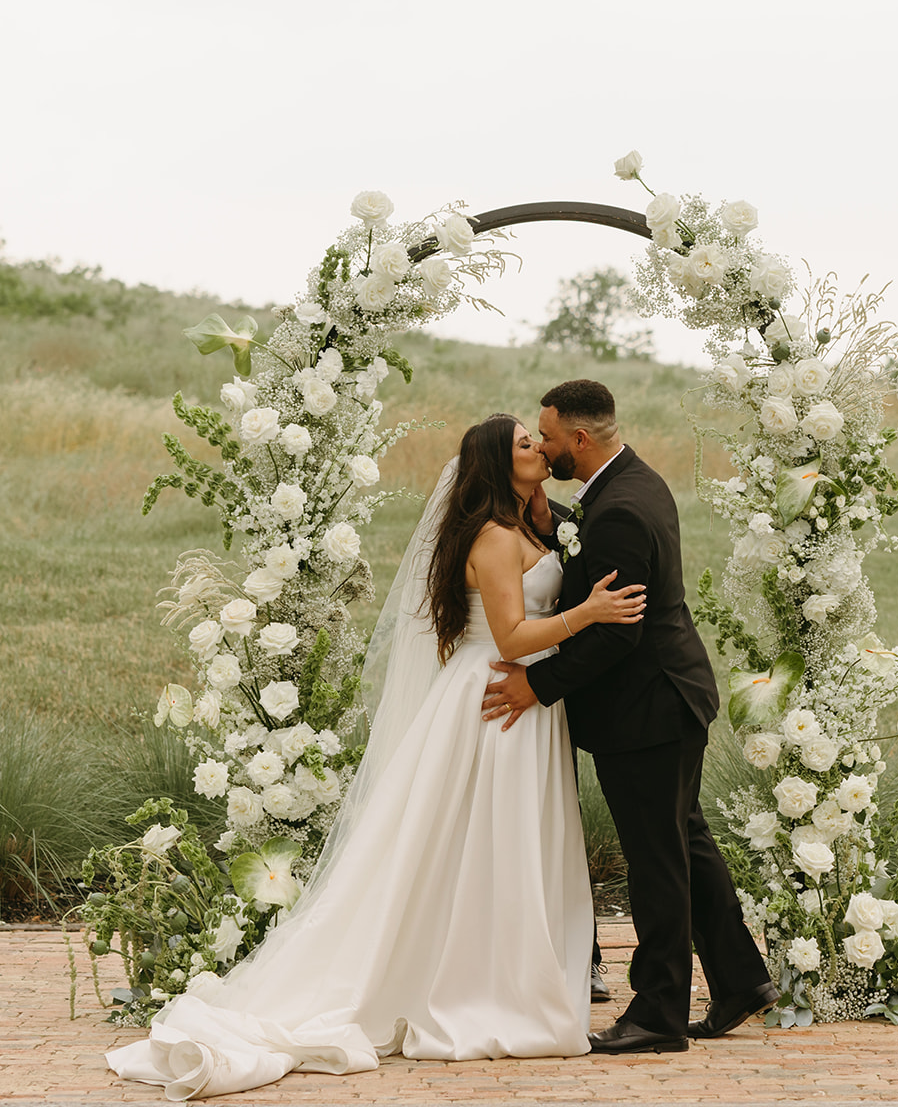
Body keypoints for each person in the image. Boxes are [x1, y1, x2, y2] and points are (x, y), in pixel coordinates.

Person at [106, 414, 646, 1099]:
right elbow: (510, 636)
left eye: (536, 439)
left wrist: (543, 519)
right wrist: (587, 614)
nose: (538, 447)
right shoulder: (492, 536)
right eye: (524, 443)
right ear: (495, 463)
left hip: (522, 702)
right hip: (495, 697)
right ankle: (480, 988)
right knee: (488, 841)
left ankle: (499, 974)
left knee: (495, 843)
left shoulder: (524, 527)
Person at [482, 380, 777, 1054]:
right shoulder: (630, 483)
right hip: (667, 698)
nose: (543, 447)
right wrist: (543, 517)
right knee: (683, 843)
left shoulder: (617, 508)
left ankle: (657, 1013)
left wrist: (536, 685)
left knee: (656, 863)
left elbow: (617, 634)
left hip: (647, 709)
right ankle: (740, 980)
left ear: (579, 439)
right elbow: (585, 546)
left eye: (547, 436)